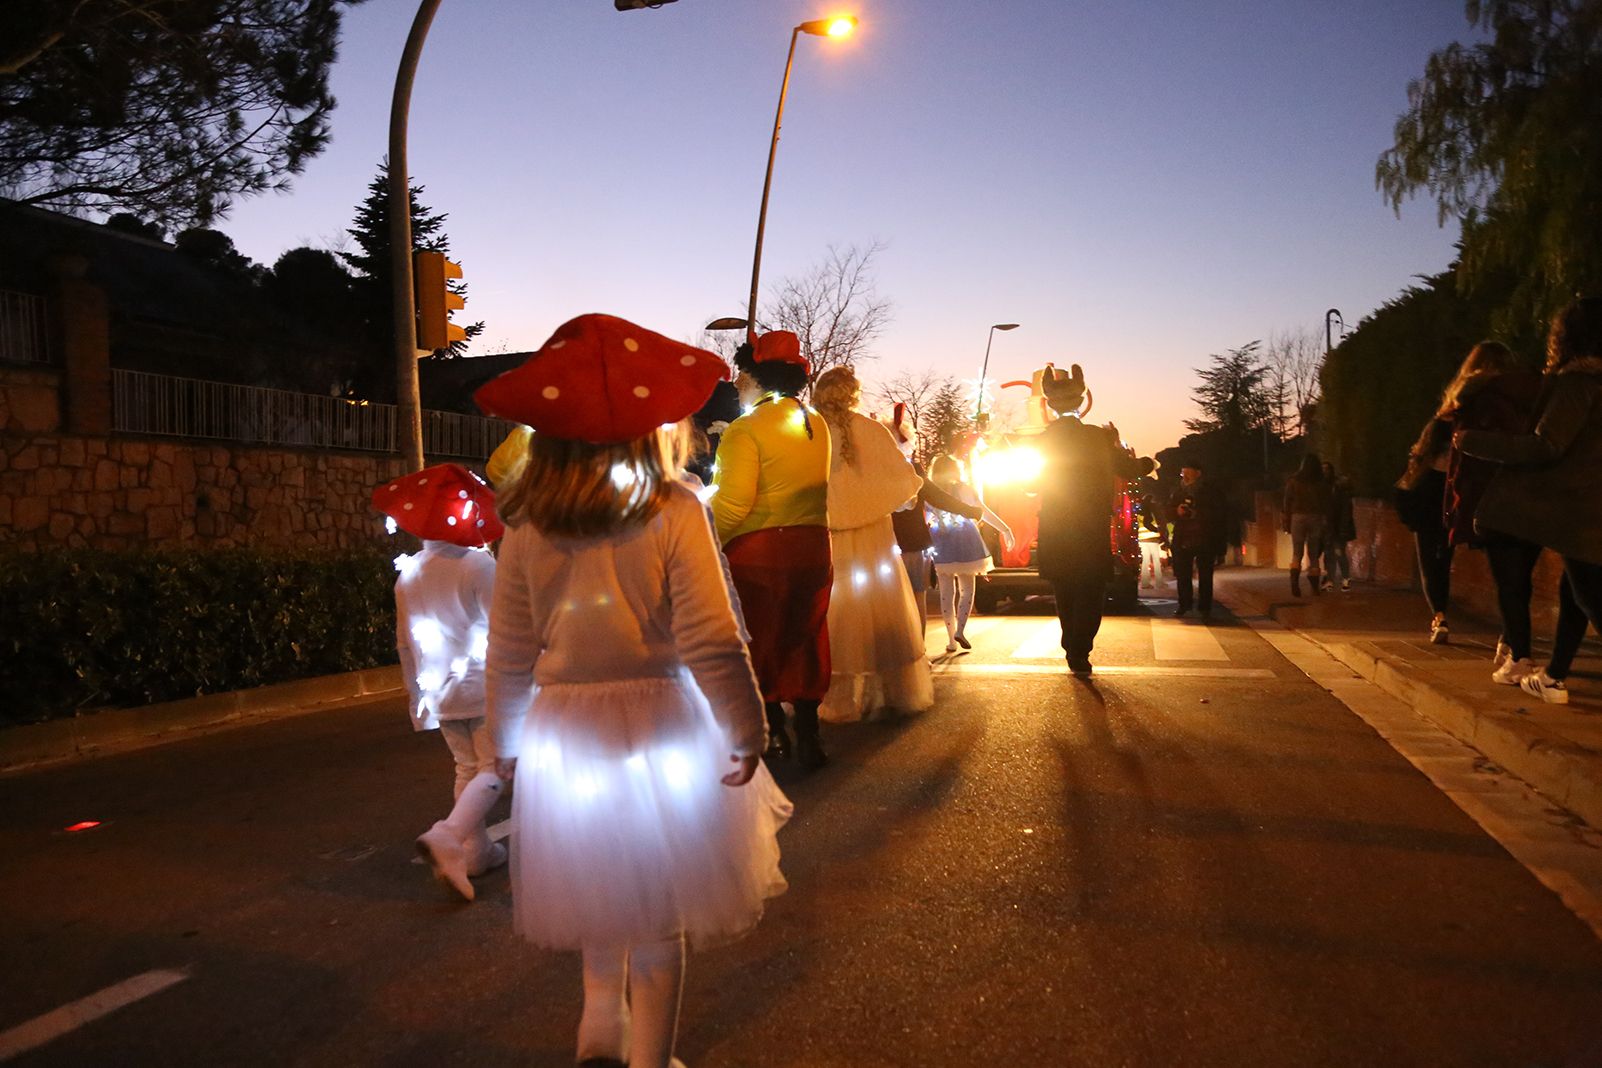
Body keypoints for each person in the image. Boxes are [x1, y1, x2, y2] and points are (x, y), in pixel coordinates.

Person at [473, 313, 792, 1068]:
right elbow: (712, 638)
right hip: (663, 723)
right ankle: (648, 1058)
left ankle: (597, 1027)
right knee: (656, 919)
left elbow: (508, 652)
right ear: (656, 428)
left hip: (563, 731)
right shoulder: (676, 509)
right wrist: (748, 729)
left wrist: (503, 745)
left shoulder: (525, 524)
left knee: (599, 894)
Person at [373, 463, 508, 902]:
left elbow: (403, 641)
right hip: (483, 685)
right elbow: (505, 628)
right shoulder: (477, 565)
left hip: (440, 690)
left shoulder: (407, 574)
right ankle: (452, 837)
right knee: (494, 768)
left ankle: (478, 851)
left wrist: (417, 699)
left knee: (466, 767)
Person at [1457, 297, 1602, 701]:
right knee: (1579, 591)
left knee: (1589, 595)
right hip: (1589, 509)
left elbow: (1547, 446)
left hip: (1583, 509)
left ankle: (1550, 675)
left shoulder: (1578, 384)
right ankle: (1553, 676)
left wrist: (1475, 442)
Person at [710, 331, 834, 769]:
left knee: (758, 640)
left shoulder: (746, 429)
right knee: (805, 636)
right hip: (815, 547)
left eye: (741, 374)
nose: (737, 383)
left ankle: (771, 730)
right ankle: (809, 731)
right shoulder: (814, 422)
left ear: (757, 377)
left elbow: (733, 502)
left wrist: (707, 537)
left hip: (761, 550)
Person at [809, 366, 932, 722]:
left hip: (827, 535)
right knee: (879, 606)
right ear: (853, 394)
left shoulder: (810, 431)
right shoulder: (872, 430)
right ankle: (894, 691)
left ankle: (835, 698)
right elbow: (904, 484)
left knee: (834, 612)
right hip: (874, 539)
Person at [1433, 341, 1545, 680]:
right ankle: (1510, 643)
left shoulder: (1474, 397)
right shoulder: (1537, 394)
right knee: (1522, 579)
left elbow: (1466, 464)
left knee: (1507, 581)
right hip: (1538, 495)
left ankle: (1520, 657)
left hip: (1495, 500)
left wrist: (1458, 507)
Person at [1034, 363, 1154, 676]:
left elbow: (1031, 483)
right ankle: (1079, 648)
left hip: (1055, 526)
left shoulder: (1042, 440)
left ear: (1050, 404)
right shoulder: (1097, 438)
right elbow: (1128, 468)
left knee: (1064, 588)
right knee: (1090, 588)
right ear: (1082, 400)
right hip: (1090, 527)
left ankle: (1070, 642)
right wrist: (1148, 463)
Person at [926, 454, 1013, 652]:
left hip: (940, 538)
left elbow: (926, 517)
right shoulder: (964, 489)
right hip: (966, 538)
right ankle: (961, 631)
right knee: (967, 589)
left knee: (946, 592)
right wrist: (1005, 528)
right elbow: (982, 511)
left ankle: (950, 640)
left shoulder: (930, 491)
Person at [1396, 413, 1455, 641]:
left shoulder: (1421, 461)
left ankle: (1439, 617)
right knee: (1444, 566)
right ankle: (1442, 613)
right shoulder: (1457, 462)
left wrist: (1410, 520)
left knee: (1429, 568)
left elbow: (1403, 490)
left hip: (1424, 522)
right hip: (1449, 521)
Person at [1166, 459, 1227, 617]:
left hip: (1205, 537)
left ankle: (1204, 608)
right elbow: (1167, 512)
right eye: (1182, 472)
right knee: (1182, 574)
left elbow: (1220, 513)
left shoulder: (1210, 491)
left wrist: (1197, 513)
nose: (1184, 476)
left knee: (1205, 575)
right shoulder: (1178, 491)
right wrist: (1176, 511)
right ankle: (1184, 604)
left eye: (1188, 472)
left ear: (1198, 473)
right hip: (1182, 537)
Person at [1282, 454, 1331, 597]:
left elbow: (1287, 502)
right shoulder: (1321, 482)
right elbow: (1326, 502)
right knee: (1314, 553)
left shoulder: (1293, 481)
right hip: (1315, 516)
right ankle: (1315, 585)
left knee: (1297, 552)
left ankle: (1294, 583)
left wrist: (1287, 521)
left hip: (1297, 517)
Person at [1321, 462, 1357, 592]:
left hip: (1338, 528)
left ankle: (1346, 578)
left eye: (1327, 469)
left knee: (1339, 553)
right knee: (1330, 554)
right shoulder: (1324, 487)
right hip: (1329, 528)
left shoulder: (1339, 488)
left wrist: (1343, 529)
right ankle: (1330, 581)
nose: (1325, 472)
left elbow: (1345, 510)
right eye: (1323, 470)